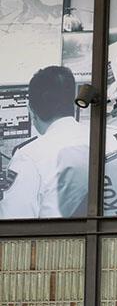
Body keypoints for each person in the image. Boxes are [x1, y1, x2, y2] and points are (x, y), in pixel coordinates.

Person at [0, 65, 88, 219]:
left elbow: (13, 225)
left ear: (31, 110)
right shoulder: (109, 138)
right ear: (74, 105)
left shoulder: (28, 157)